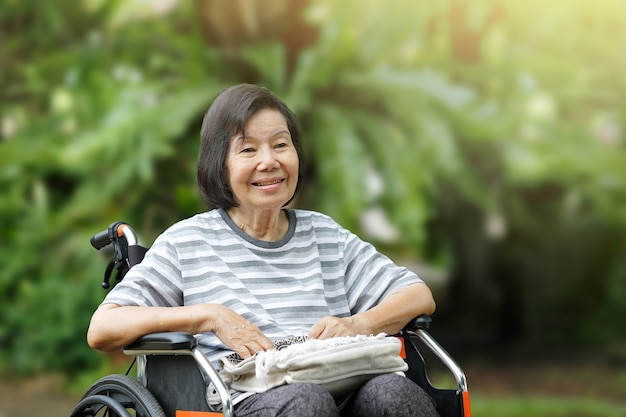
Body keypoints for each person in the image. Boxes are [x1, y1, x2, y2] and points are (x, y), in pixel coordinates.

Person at [87, 83, 439, 417]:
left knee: (396, 395)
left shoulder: (326, 235)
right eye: (248, 149)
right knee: (306, 402)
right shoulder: (187, 242)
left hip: (344, 385)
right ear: (219, 164)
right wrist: (209, 316)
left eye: (280, 145)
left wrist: (359, 323)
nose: (269, 161)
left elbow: (417, 294)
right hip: (240, 400)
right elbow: (103, 328)